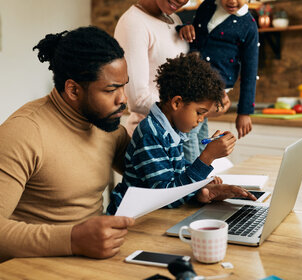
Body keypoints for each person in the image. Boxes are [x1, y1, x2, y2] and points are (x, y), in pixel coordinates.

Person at [0, 26, 135, 265]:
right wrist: (73, 239)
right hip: (30, 269)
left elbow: (150, 173)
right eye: (111, 90)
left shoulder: (105, 126)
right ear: (73, 90)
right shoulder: (25, 132)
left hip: (87, 265)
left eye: (123, 85)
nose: (123, 99)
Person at [114, 0, 218, 164]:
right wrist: (188, 108)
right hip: (152, 144)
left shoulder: (176, 22)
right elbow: (137, 98)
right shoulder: (133, 23)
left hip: (179, 136)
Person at [107, 53, 255, 215]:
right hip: (130, 217)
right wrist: (207, 158)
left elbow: (175, 177)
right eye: (199, 112)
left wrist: (202, 186)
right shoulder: (151, 133)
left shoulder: (170, 130)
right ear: (177, 103)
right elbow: (166, 196)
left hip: (154, 214)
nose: (200, 120)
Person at [178, 0, 267, 139]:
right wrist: (182, 28)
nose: (232, 0)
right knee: (189, 141)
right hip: (190, 85)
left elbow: (250, 72)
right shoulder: (206, 7)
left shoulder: (249, 25)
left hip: (215, 92)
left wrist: (244, 112)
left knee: (195, 139)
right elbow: (191, 38)